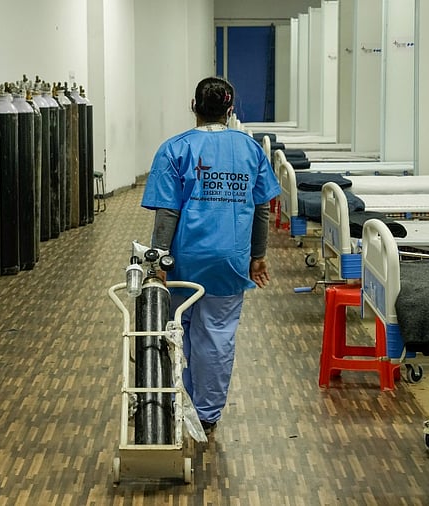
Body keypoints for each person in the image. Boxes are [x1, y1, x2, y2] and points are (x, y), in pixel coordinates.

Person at [140, 77, 281, 434]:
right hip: (230, 261)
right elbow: (262, 208)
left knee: (176, 329)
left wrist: (158, 262)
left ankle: (174, 402)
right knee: (217, 336)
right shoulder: (250, 150)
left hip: (184, 261)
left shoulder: (175, 149)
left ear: (194, 106)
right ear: (230, 109)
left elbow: (167, 213)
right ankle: (206, 414)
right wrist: (257, 256)